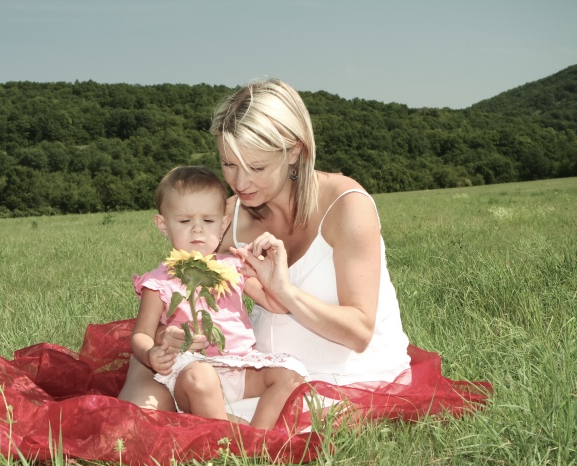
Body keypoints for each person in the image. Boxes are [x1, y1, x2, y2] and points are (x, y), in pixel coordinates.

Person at [119, 79, 412, 422]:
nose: (240, 183)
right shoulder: (231, 214)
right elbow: (182, 291)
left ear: (294, 151)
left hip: (343, 381)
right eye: (229, 164)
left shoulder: (346, 206)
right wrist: (162, 340)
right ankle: (138, 413)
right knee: (151, 386)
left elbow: (359, 333)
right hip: (250, 375)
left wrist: (284, 291)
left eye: (256, 167)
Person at [129, 165, 308, 429]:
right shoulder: (159, 282)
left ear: (223, 224)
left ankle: (258, 439)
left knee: (290, 373)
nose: (198, 230)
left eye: (208, 221)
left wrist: (272, 279)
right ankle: (225, 440)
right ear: (163, 225)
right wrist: (150, 353)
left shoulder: (233, 266)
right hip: (192, 373)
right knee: (200, 376)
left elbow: (276, 305)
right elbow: (140, 334)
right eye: (185, 221)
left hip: (242, 366)